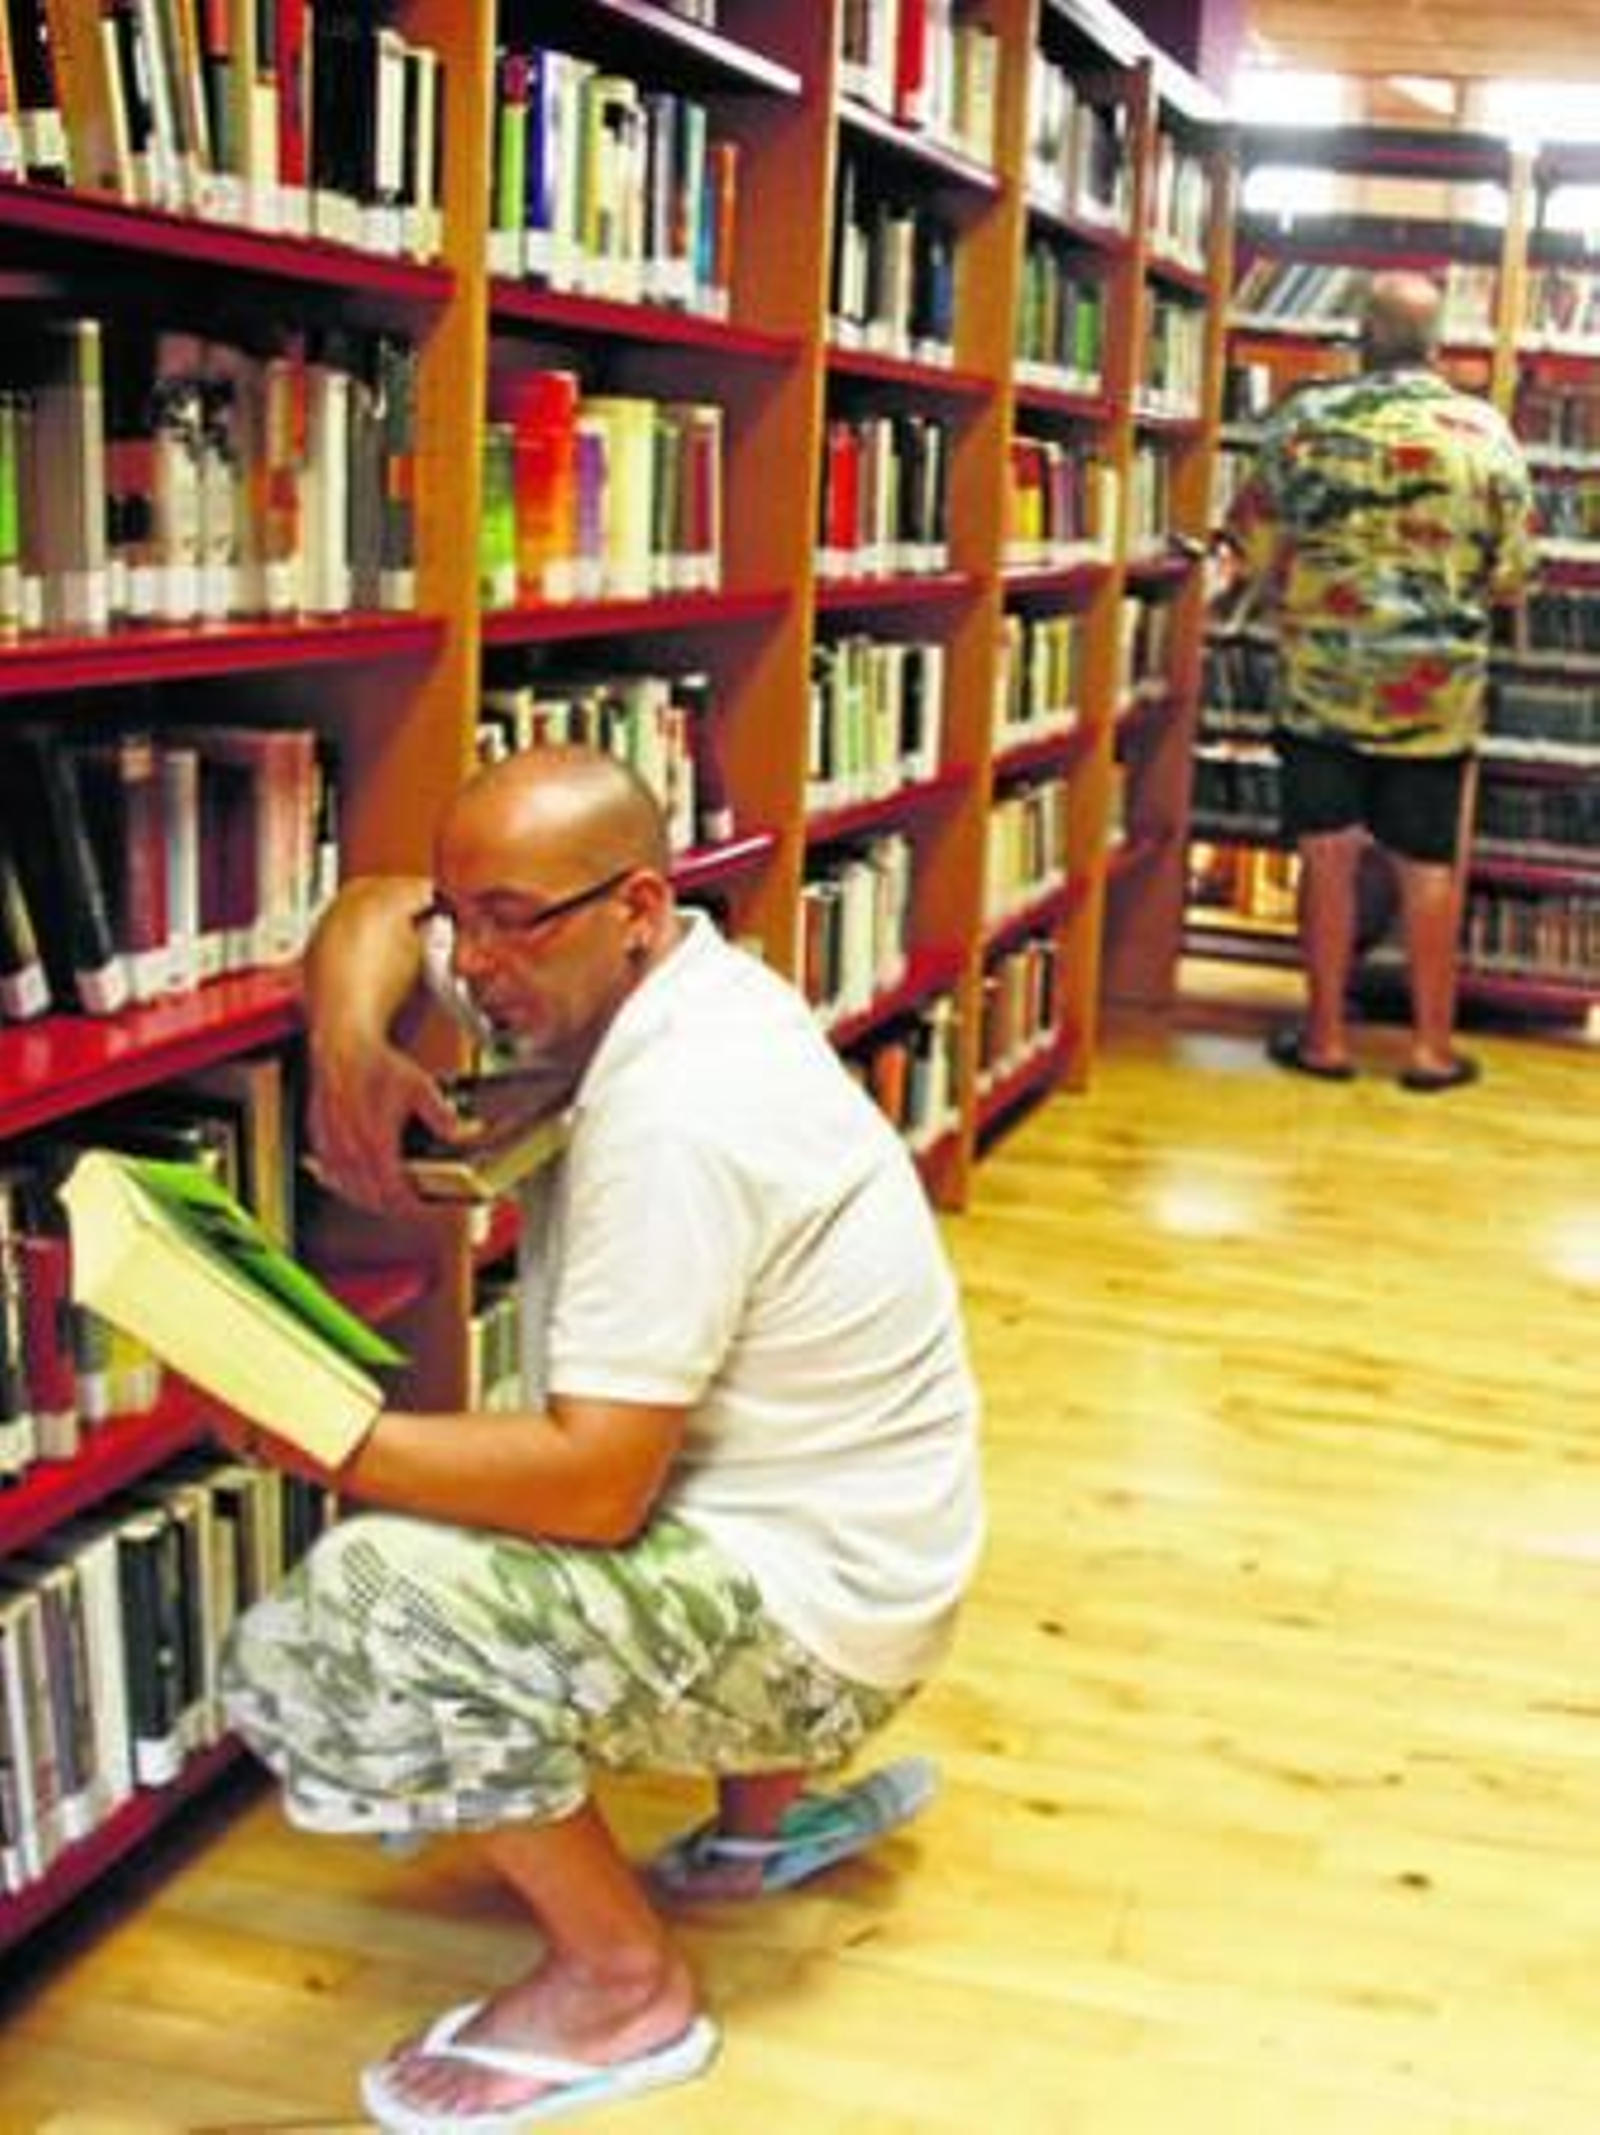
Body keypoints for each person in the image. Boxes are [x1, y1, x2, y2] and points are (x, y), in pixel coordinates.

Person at [217, 744, 983, 2132]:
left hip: (820, 1618)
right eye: (469, 920)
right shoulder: (652, 974)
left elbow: (592, 1483)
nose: (475, 960)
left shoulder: (676, 1114)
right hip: (862, 1551)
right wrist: (348, 1048)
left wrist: (314, 1428)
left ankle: (623, 1977)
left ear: (635, 901)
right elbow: (380, 903)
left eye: (513, 917)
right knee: (529, 1464)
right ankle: (756, 1832)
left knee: (370, 1595)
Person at [1226, 269, 1535, 1090]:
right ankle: (1430, 1049)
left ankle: (1325, 1038)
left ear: (1360, 334)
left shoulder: (1304, 422)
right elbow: (1510, 578)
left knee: (1325, 855)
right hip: (1434, 692)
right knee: (1427, 863)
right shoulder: (1484, 434)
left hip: (1322, 680)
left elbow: (1252, 550)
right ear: (1440, 343)